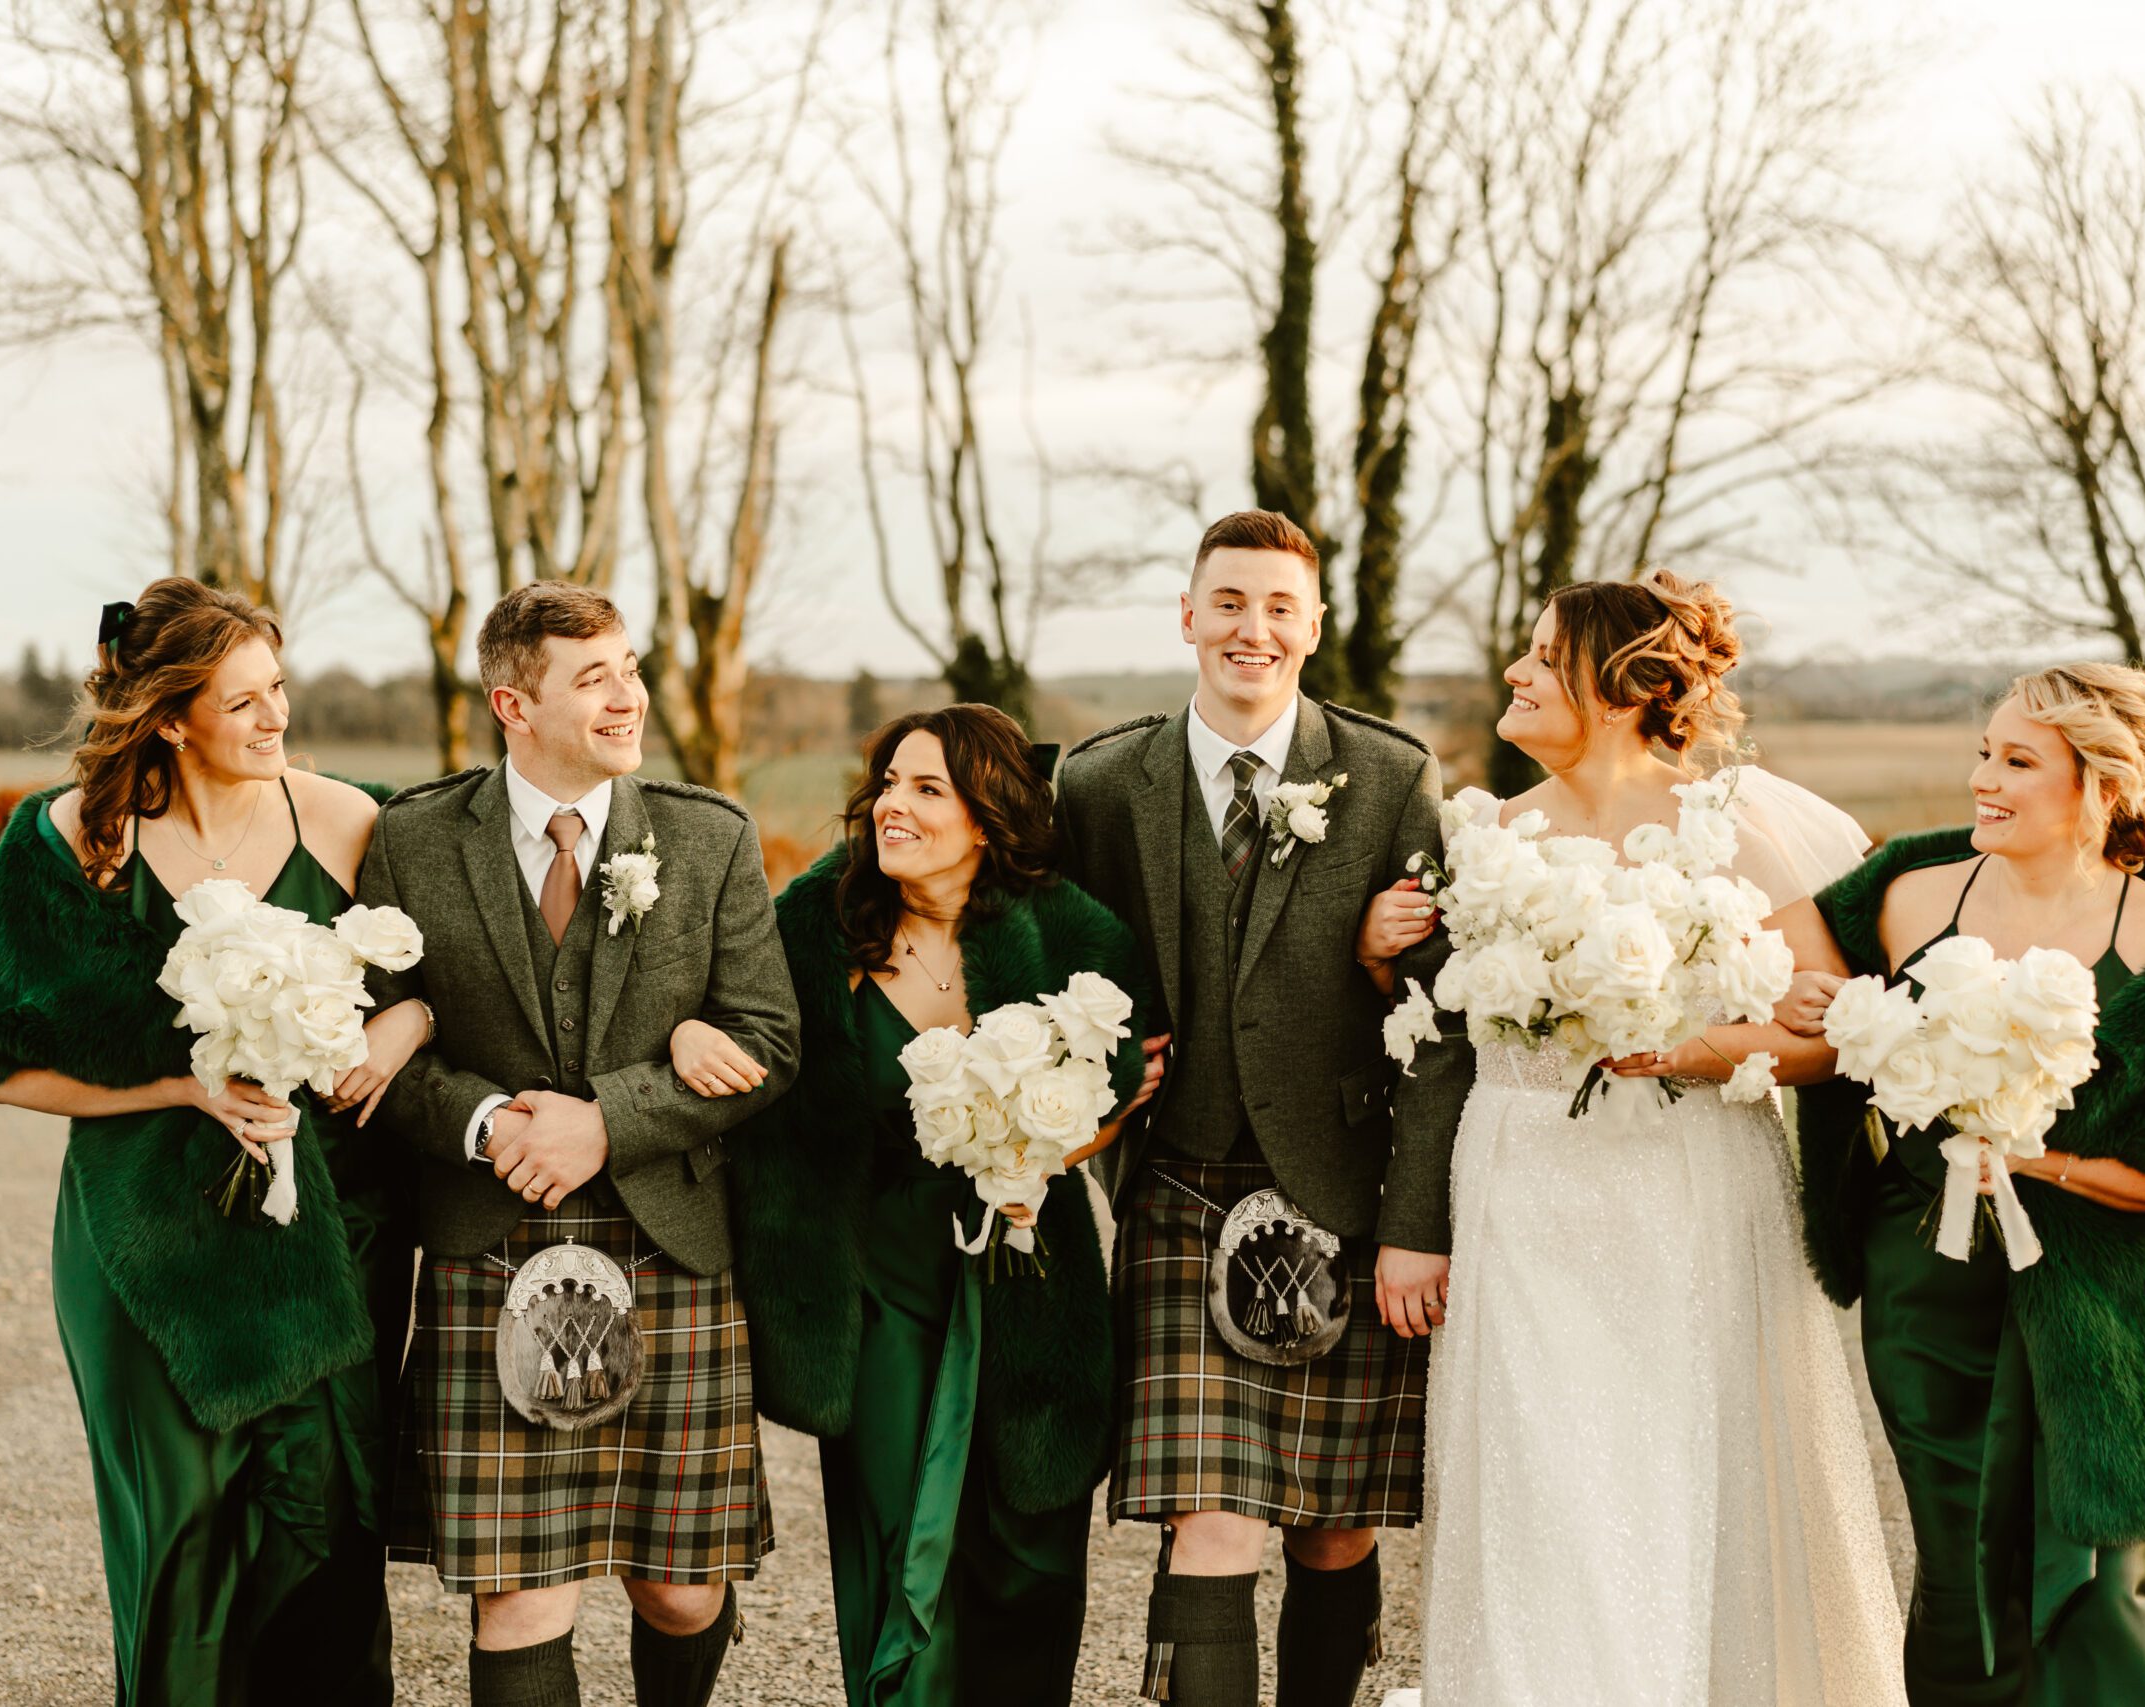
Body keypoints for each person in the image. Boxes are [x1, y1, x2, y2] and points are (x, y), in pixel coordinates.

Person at [1365, 571, 1907, 1707]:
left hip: (1691, 1187)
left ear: (1617, 688)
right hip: (1519, 1181)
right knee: (1536, 1471)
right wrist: (1379, 954)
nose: (1513, 672)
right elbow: (1431, 1028)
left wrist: (1697, 1049)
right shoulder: (1489, 835)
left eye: (1538, 654)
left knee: (1688, 1464)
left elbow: (1826, 1031)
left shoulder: (1725, 828)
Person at [1753, 662, 2145, 1706]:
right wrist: (1815, 1000)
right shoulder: (1912, 884)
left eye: (2016, 760)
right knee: (1958, 1564)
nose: (1981, 781)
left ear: (2101, 784)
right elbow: (1752, 969)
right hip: (1927, 1279)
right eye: (1982, 752)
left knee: (2114, 1571)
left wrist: (2040, 1159)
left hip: (2115, 1302)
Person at [0, 577, 417, 1705]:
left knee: (328, 1524)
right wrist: (179, 1090)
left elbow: (447, 989)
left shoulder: (347, 818)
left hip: (330, 1240)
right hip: (143, 1237)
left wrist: (402, 1027)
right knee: (185, 1531)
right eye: (244, 701)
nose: (277, 718)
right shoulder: (76, 839)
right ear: (169, 716)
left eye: (280, 690)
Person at [1056, 509, 1475, 1707]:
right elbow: (1056, 982)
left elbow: (1442, 1020)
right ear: (1186, 616)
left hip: (1342, 1186)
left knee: (1333, 1529)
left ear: (1315, 625)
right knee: (1213, 1525)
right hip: (1179, 1182)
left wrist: (1414, 1220)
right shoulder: (1095, 784)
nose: (1253, 629)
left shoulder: (1390, 774)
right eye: (1229, 603)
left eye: (1279, 607)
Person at [358, 582, 801, 1707]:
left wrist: (608, 1121)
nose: (629, 696)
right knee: (518, 1592)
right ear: (514, 700)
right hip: (487, 1235)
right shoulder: (413, 839)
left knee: (678, 1592)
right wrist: (485, 1123)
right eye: (593, 676)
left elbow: (769, 1042)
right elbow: (367, 1048)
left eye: (630, 668)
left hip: (667, 1233)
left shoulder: (708, 839)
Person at [731, 704, 1157, 1707]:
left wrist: (1052, 1144)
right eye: (886, 783)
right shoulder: (812, 925)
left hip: (1027, 1269)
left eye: (927, 788)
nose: (893, 805)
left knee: (1026, 1550)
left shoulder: (1071, 930)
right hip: (877, 1280)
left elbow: (1122, 1086)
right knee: (897, 1540)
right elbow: (760, 1089)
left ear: (987, 813)